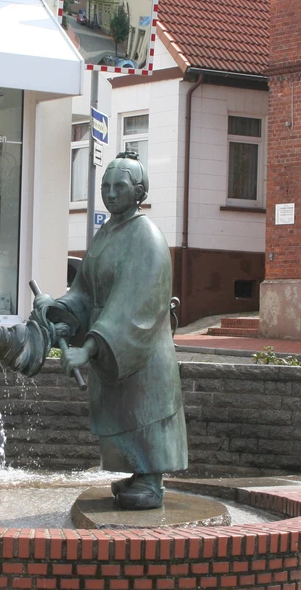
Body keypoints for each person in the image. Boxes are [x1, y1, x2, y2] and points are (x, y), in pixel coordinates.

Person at [33, 151, 187, 509]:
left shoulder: (145, 236)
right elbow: (85, 290)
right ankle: (137, 472)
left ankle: (150, 480)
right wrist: (58, 307)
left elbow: (134, 306)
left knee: (143, 413)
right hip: (109, 340)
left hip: (139, 347)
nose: (111, 193)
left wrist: (88, 349)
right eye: (105, 186)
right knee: (124, 413)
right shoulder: (107, 233)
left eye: (120, 186)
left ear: (139, 191)